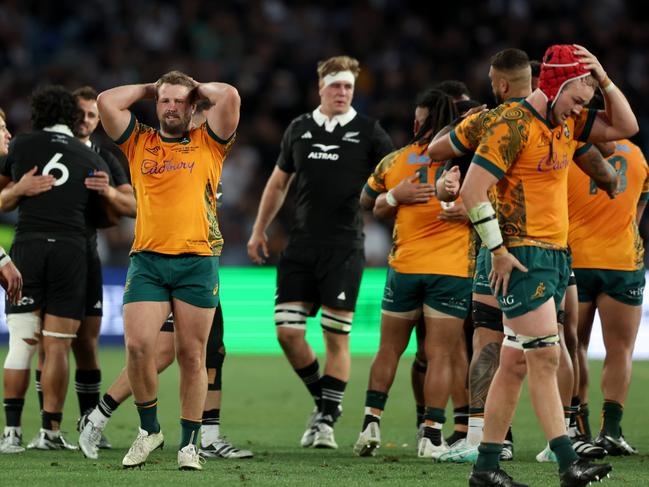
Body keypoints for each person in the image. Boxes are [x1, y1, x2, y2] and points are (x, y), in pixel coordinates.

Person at [459, 44, 636, 487]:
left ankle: (485, 469)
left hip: (556, 255)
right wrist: (497, 251)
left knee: (515, 362)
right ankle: (566, 463)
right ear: (554, 86)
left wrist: (604, 78)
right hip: (522, 255)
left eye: (586, 101)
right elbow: (471, 191)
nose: (580, 108)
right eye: (577, 97)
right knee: (545, 356)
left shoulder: (569, 122)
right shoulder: (512, 124)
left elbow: (626, 127)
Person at [78, 100, 252, 461]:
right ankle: (104, 417)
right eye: (199, 117)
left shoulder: (208, 148)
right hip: (159, 258)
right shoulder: (158, 146)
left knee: (203, 352)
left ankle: (202, 436)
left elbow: (228, 101)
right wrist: (161, 89)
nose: (201, 124)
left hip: (199, 257)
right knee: (156, 352)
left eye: (198, 114)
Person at [247, 55, 393, 449]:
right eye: (336, 86)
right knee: (288, 333)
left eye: (348, 86)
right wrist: (259, 229)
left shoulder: (368, 131)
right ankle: (325, 402)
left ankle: (325, 420)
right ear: (321, 88)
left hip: (344, 246)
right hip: (300, 245)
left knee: (335, 338)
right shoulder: (299, 129)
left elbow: (394, 178)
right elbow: (278, 184)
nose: (342, 92)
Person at [352, 88, 473, 459]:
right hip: (451, 271)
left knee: (388, 348)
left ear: (419, 121)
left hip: (404, 267)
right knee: (440, 355)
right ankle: (431, 436)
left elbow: (366, 202)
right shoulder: (468, 163)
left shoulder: (395, 160)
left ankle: (370, 422)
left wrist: (394, 197)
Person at [0, 86, 110, 453]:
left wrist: (18, 189)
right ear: (71, 117)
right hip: (72, 250)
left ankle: (11, 434)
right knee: (59, 346)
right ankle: (50, 432)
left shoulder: (21, 146)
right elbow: (106, 214)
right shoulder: (87, 154)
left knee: (22, 344)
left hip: (28, 246)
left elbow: (1, 197)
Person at [569, 134, 648, 456]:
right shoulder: (637, 155)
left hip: (576, 258)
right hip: (621, 260)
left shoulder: (569, 149)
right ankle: (611, 430)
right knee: (621, 350)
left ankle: (579, 429)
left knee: (574, 346)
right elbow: (639, 211)